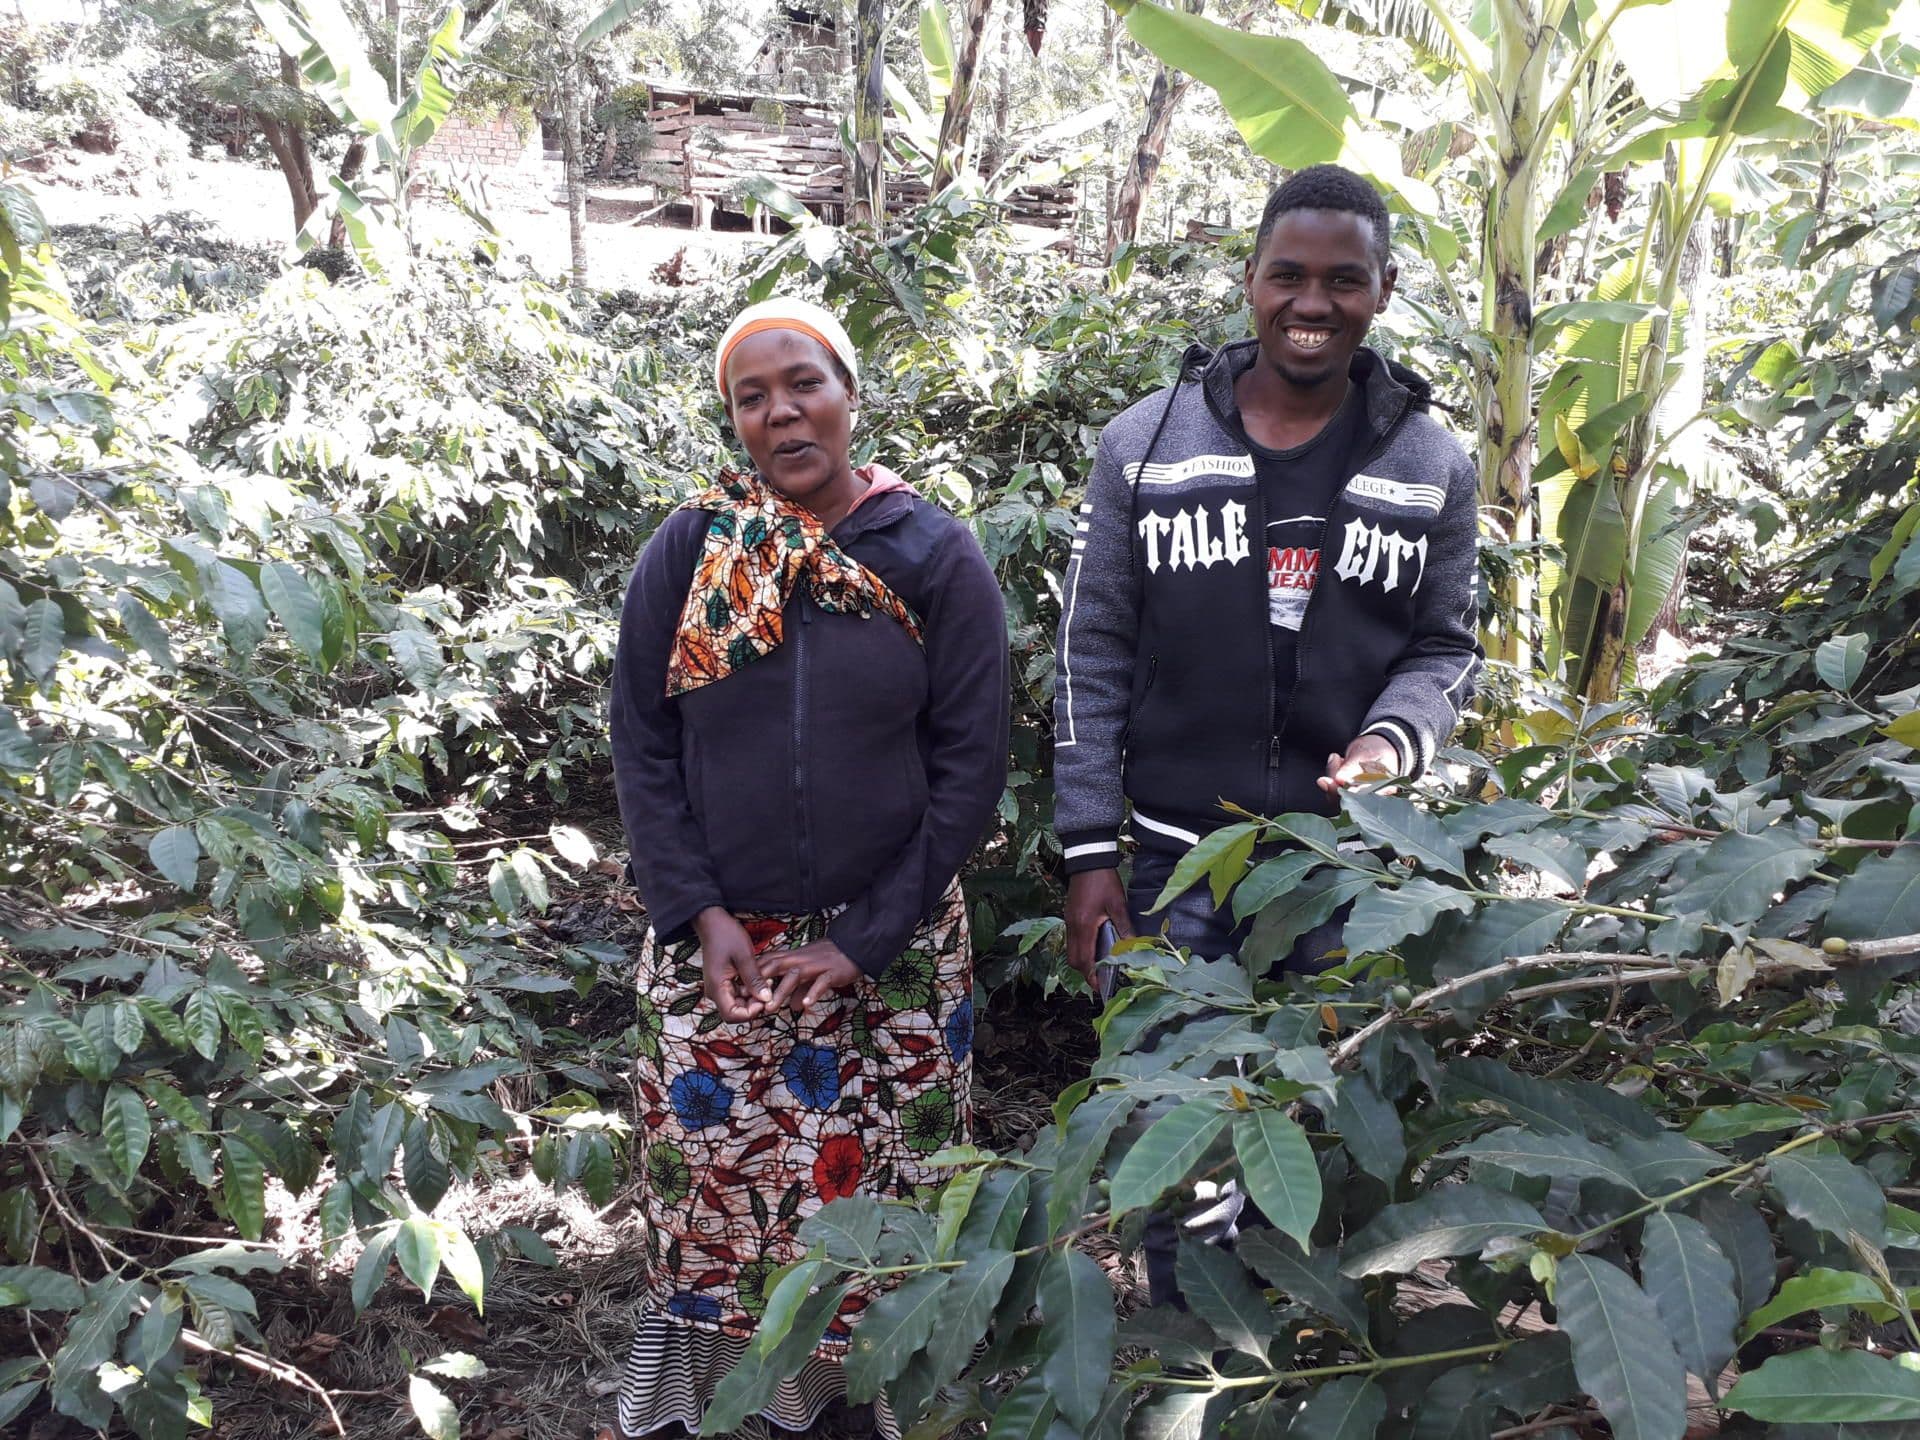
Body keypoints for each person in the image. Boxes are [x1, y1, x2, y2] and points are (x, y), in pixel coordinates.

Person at [1052, 164, 1481, 1302]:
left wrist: (1394, 744)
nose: (1313, 300)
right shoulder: (1145, 446)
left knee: (1313, 1122)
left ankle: (1292, 1352)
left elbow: (1447, 649)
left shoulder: (1429, 462)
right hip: (1168, 858)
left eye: (1345, 279)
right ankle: (1196, 1355)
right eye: (1288, 274)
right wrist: (1091, 853)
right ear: (1249, 282)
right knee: (1177, 1122)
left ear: (1382, 291)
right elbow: (1091, 653)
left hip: (1334, 866)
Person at [609, 298, 1009, 1438]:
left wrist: (863, 939)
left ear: (848, 393)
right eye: (752, 395)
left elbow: (970, 767)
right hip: (723, 954)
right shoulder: (689, 550)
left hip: (893, 954)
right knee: (715, 1197)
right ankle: (738, 1410)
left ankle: (860, 1410)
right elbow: (642, 737)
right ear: (733, 419)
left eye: (804, 383)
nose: (781, 410)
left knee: (885, 1198)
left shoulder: (932, 552)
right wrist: (695, 908)